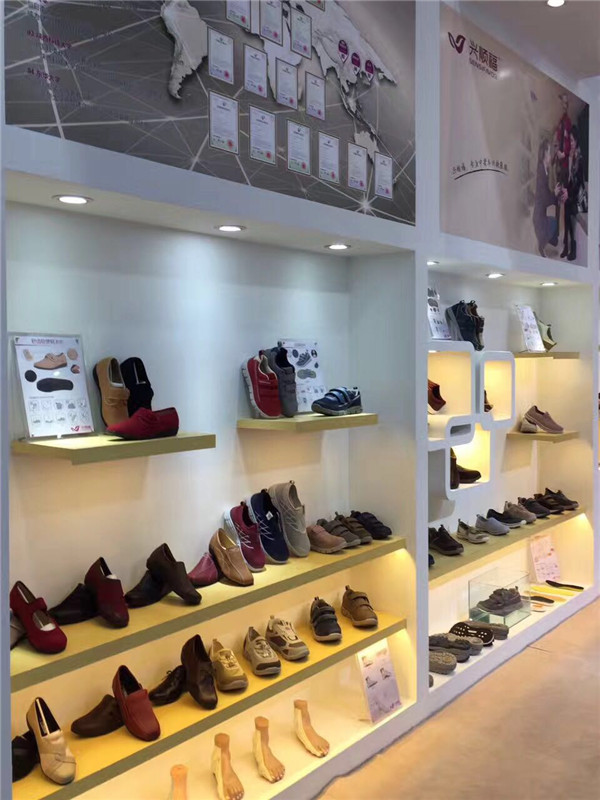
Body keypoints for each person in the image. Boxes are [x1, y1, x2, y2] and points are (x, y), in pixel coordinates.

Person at [533, 139, 564, 257]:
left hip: (539, 216)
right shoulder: (542, 172)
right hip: (539, 220)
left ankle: (545, 243)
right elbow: (545, 199)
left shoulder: (544, 170)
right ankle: (543, 243)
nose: (551, 155)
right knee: (554, 223)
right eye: (549, 151)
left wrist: (554, 193)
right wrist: (555, 194)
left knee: (553, 227)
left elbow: (545, 194)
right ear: (545, 154)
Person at [562, 125, 584, 261]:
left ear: (576, 140)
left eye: (572, 140)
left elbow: (578, 182)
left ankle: (573, 249)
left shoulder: (579, 158)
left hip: (577, 196)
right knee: (566, 214)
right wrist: (566, 190)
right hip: (571, 192)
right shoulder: (572, 155)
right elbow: (570, 178)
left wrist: (569, 194)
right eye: (569, 140)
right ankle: (566, 247)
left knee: (569, 215)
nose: (570, 143)